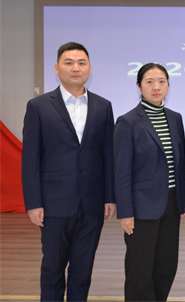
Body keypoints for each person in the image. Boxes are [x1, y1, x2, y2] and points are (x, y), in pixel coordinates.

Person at [21, 42, 116, 301]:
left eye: (81, 63)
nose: (76, 68)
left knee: (82, 271)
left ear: (89, 68)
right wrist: (33, 202)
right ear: (56, 68)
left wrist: (110, 197)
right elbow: (30, 159)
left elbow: (108, 155)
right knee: (53, 268)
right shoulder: (39, 106)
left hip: (92, 203)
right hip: (53, 204)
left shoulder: (103, 106)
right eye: (69, 62)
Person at [113, 63, 185, 301]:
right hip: (141, 208)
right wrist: (125, 211)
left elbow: (180, 163)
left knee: (166, 267)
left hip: (171, 204)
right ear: (139, 86)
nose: (156, 87)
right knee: (140, 270)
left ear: (168, 85)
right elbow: (121, 171)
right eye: (149, 82)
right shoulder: (127, 122)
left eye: (161, 82)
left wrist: (182, 201)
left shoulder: (175, 118)